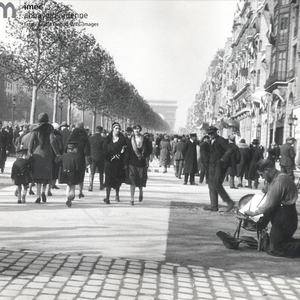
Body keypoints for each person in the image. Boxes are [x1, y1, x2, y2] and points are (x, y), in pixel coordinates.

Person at [243, 159, 300, 258]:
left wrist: (254, 213)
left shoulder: (279, 181)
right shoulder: (276, 177)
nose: (261, 177)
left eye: (262, 175)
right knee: (277, 243)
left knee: (275, 249)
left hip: (285, 216)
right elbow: (265, 190)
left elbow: (269, 204)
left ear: (267, 170)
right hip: (283, 213)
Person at [28, 113, 60, 203]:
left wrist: (30, 152)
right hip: (47, 153)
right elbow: (52, 141)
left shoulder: (35, 129)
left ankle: (38, 195)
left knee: (38, 175)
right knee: (46, 174)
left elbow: (31, 142)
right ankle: (43, 192)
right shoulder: (50, 128)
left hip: (37, 153)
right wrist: (57, 153)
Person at [204, 126, 234, 212]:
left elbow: (229, 150)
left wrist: (222, 159)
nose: (210, 135)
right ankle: (213, 205)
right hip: (212, 165)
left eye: (212, 133)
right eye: (209, 134)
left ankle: (229, 202)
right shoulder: (211, 141)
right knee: (211, 185)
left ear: (216, 132)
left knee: (216, 183)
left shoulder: (221, 140)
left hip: (219, 165)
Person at [125, 124, 152, 205]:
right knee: (132, 181)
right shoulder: (129, 140)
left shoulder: (146, 140)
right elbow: (127, 152)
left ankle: (140, 191)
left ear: (140, 130)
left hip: (141, 162)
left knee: (140, 180)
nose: (136, 130)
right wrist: (126, 162)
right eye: (135, 129)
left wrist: (144, 156)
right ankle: (132, 198)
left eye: (138, 129)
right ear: (133, 130)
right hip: (132, 162)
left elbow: (149, 150)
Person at [103, 122, 127, 204]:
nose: (118, 130)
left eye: (119, 129)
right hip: (109, 162)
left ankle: (117, 194)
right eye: (116, 128)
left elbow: (126, 150)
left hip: (119, 163)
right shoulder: (107, 139)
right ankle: (107, 197)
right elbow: (104, 150)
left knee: (118, 180)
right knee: (108, 180)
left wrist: (122, 154)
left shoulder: (123, 140)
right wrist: (110, 157)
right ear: (113, 129)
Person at [66, 121, 91, 198]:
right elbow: (87, 149)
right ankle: (80, 191)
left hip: (72, 156)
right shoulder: (85, 136)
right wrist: (87, 158)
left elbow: (66, 145)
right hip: (81, 157)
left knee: (72, 173)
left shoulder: (72, 135)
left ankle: (71, 191)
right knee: (81, 174)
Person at [57, 141, 80, 207]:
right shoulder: (76, 157)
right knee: (72, 186)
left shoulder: (64, 155)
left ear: (68, 149)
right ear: (75, 149)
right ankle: (71, 196)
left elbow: (58, 162)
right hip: (73, 173)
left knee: (68, 186)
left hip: (65, 173)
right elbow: (77, 166)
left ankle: (68, 196)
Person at [47, 123, 64, 196]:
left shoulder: (46, 134)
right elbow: (60, 146)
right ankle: (51, 185)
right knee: (54, 171)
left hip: (47, 155)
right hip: (55, 155)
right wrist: (58, 153)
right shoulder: (58, 136)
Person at [88, 125, 106, 191]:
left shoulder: (90, 138)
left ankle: (90, 185)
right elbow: (104, 149)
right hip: (101, 158)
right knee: (101, 173)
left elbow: (88, 148)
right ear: (101, 131)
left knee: (92, 173)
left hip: (92, 157)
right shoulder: (103, 139)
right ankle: (101, 185)